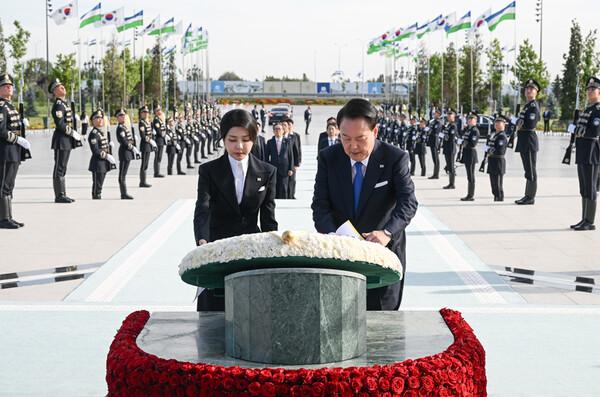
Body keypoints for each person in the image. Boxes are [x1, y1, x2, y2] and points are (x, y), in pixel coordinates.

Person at [311, 98, 418, 310]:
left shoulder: (394, 158)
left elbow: (408, 201)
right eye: (345, 138)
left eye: (360, 138)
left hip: (382, 254)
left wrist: (387, 232)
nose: (353, 146)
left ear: (375, 131)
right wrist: (332, 236)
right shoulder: (328, 158)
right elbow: (320, 205)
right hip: (341, 256)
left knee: (383, 321)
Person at [194, 109, 278, 310]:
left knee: (250, 308)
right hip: (217, 247)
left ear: (254, 139)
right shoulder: (209, 171)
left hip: (251, 249)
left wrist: (274, 247)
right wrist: (202, 240)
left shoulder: (267, 172)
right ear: (223, 139)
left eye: (246, 139)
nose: (239, 146)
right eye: (232, 139)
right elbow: (202, 209)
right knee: (215, 309)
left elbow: (268, 216)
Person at [0, 74, 30, 229]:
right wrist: (16, 139)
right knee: (4, 185)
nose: (8, 87)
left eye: (10, 85)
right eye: (5, 85)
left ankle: (8, 216)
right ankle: (3, 219)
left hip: (13, 152)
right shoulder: (1, 106)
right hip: (5, 151)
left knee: (9, 185)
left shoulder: (11, 106)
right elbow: (1, 130)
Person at [570, 77, 600, 231]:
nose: (590, 91)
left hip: (591, 152)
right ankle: (584, 219)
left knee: (590, 188)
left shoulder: (597, 110)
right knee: (583, 187)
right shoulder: (587, 109)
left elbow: (594, 131)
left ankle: (590, 221)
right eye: (588, 89)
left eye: (593, 89)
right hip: (582, 152)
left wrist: (576, 130)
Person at [49, 78, 81, 203]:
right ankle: (59, 195)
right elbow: (60, 124)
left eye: (62, 86)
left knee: (63, 167)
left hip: (66, 140)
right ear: (54, 92)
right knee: (59, 167)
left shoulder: (64, 104)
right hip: (61, 140)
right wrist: (72, 132)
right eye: (59, 87)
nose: (63, 88)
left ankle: (63, 193)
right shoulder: (58, 104)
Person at [514, 79, 541, 205]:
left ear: (536, 93)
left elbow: (530, 124)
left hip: (529, 140)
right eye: (527, 89)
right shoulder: (527, 106)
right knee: (527, 169)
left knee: (531, 169)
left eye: (531, 89)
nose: (528, 90)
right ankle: (527, 195)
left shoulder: (533, 107)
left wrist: (517, 122)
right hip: (524, 140)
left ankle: (531, 197)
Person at [87, 109, 115, 199]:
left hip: (103, 162)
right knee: (97, 184)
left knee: (100, 183)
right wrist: (107, 156)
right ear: (93, 121)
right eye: (97, 118)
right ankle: (96, 198)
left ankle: (98, 196)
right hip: (97, 162)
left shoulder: (100, 132)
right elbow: (95, 150)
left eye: (101, 118)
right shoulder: (94, 134)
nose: (100, 120)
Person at [115, 107, 139, 199]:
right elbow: (124, 141)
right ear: (117, 118)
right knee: (122, 174)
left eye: (124, 115)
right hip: (124, 152)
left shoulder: (124, 127)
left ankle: (124, 192)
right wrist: (132, 148)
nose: (123, 117)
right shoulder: (120, 128)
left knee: (124, 173)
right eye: (121, 116)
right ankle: (123, 193)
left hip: (127, 152)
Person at [265, 122, 294, 199]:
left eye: (279, 129)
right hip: (273, 168)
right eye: (276, 129)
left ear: (283, 131)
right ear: (273, 131)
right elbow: (266, 157)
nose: (278, 131)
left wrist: (291, 168)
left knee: (284, 188)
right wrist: (266, 169)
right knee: (273, 187)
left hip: (285, 169)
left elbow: (291, 156)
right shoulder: (270, 142)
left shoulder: (288, 142)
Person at [485, 115, 508, 202]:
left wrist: (489, 150)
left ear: (504, 125)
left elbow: (500, 151)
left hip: (498, 161)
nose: (497, 124)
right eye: (496, 122)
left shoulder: (502, 136)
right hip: (492, 160)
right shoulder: (494, 135)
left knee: (498, 184)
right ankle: (496, 197)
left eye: (499, 122)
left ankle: (499, 199)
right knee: (493, 183)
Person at [459, 113, 480, 201]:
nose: (470, 120)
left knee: (471, 175)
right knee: (469, 175)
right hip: (466, 152)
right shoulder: (468, 130)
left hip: (471, 153)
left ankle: (471, 195)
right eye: (469, 119)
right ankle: (469, 194)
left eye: (472, 119)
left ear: (476, 121)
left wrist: (463, 143)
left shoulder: (474, 131)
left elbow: (473, 143)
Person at [284, 118, 302, 199]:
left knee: (292, 180)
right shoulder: (282, 136)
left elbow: (297, 150)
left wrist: (297, 162)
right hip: (284, 162)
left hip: (293, 162)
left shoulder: (295, 136)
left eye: (288, 125)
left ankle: (291, 195)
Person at [138, 105, 154, 188]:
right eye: (145, 112)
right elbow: (143, 136)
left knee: (146, 163)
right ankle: (142, 181)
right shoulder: (141, 123)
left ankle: (144, 180)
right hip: (145, 145)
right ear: (141, 114)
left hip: (148, 145)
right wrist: (150, 140)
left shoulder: (146, 122)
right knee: (144, 163)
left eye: (147, 112)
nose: (146, 114)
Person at [442, 110, 458, 189]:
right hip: (446, 147)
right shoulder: (448, 125)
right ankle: (450, 182)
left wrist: (444, 137)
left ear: (453, 116)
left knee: (451, 166)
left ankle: (452, 183)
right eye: (448, 115)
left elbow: (451, 138)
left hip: (451, 148)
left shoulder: (453, 125)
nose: (448, 116)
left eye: (450, 115)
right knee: (449, 165)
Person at [427, 109, 443, 179]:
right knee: (434, 157)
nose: (435, 113)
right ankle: (435, 173)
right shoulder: (433, 121)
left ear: (439, 115)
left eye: (436, 113)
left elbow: (435, 131)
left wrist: (430, 130)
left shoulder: (438, 122)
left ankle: (436, 174)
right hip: (431, 139)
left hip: (435, 140)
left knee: (436, 158)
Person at [152, 106, 166, 178]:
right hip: (159, 140)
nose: (160, 111)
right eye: (159, 110)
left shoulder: (159, 119)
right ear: (156, 112)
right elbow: (159, 131)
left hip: (161, 139)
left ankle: (158, 171)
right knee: (157, 156)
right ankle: (156, 172)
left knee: (159, 156)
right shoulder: (156, 120)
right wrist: (164, 134)